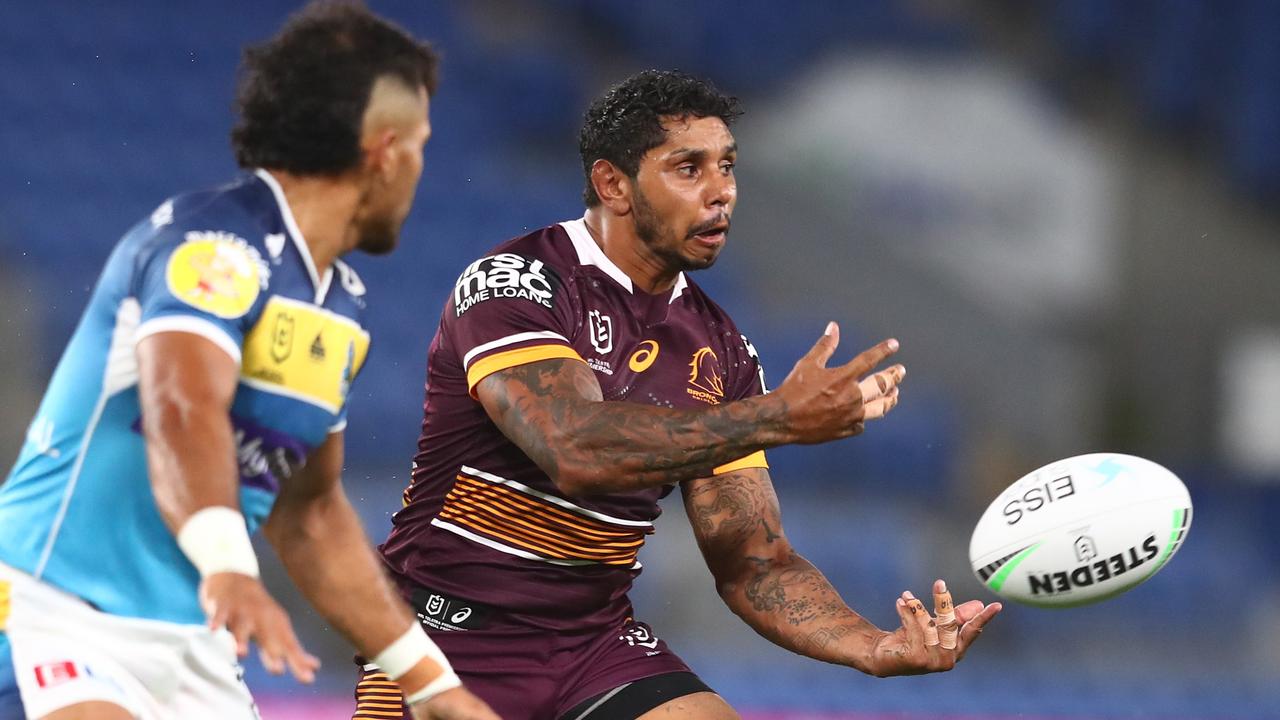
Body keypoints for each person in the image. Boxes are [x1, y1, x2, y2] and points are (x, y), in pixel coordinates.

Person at [352, 70, 1003, 720]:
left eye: (728, 166)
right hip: (443, 638)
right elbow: (572, 446)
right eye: (688, 168)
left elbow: (756, 565)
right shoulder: (519, 283)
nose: (721, 192)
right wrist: (776, 417)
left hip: (591, 645)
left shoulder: (719, 352)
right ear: (614, 185)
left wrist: (878, 647)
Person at [0, 3, 499, 719]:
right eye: (420, 145)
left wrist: (429, 681)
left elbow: (310, 513)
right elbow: (179, 408)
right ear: (384, 150)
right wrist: (231, 569)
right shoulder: (214, 250)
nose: (420, 169)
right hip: (58, 615)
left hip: (198, 647)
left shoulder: (341, 308)